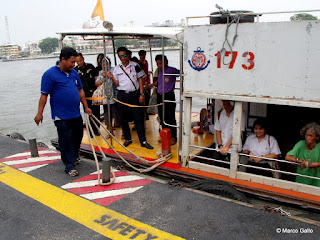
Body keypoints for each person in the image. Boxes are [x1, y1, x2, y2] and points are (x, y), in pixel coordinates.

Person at [34, 47, 92, 177]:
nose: (74, 64)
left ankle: (75, 155)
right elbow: (44, 95)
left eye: (75, 62)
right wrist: (39, 113)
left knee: (78, 137)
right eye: (72, 62)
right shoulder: (50, 74)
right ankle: (69, 166)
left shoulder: (74, 73)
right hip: (61, 116)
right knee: (65, 140)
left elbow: (80, 91)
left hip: (75, 114)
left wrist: (86, 107)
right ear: (63, 59)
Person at [107, 47, 153, 149]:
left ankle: (143, 141)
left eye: (124, 55)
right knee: (123, 118)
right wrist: (112, 77)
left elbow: (141, 79)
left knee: (138, 118)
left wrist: (141, 94)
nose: (123, 58)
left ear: (127, 55)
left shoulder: (135, 65)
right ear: (118, 57)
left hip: (134, 95)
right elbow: (116, 83)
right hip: (122, 95)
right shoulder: (117, 68)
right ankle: (127, 139)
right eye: (120, 56)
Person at [147, 55, 180, 145]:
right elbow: (159, 82)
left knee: (170, 117)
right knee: (162, 117)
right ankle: (165, 136)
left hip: (168, 96)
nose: (159, 65)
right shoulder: (159, 71)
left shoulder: (171, 70)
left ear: (166, 62)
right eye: (157, 63)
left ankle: (173, 137)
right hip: (160, 96)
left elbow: (181, 73)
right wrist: (151, 85)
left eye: (160, 63)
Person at [285, 122, 320, 187]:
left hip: (316, 182)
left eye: (311, 135)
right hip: (301, 181)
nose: (307, 138)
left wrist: (307, 164)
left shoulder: (319, 146)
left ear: (317, 137)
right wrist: (299, 160)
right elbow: (287, 156)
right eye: (306, 135)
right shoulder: (301, 143)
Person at [74, 53, 100, 136]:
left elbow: (97, 78)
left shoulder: (90, 67)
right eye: (77, 61)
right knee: (87, 111)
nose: (79, 63)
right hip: (83, 94)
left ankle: (97, 130)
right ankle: (90, 130)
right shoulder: (75, 70)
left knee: (96, 111)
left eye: (80, 60)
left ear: (83, 59)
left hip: (93, 93)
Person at [95, 57, 121, 131]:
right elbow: (97, 83)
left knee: (117, 113)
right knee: (107, 114)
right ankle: (110, 132)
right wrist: (104, 78)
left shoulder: (114, 70)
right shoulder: (101, 72)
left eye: (106, 64)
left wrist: (111, 76)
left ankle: (123, 132)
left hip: (115, 96)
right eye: (103, 64)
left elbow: (117, 82)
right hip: (106, 97)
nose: (104, 66)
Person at [138, 50, 151, 120]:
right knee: (143, 98)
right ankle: (144, 113)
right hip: (142, 82)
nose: (143, 56)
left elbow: (146, 71)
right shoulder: (139, 63)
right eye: (142, 55)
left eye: (144, 55)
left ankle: (146, 112)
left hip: (147, 81)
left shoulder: (146, 62)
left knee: (148, 97)